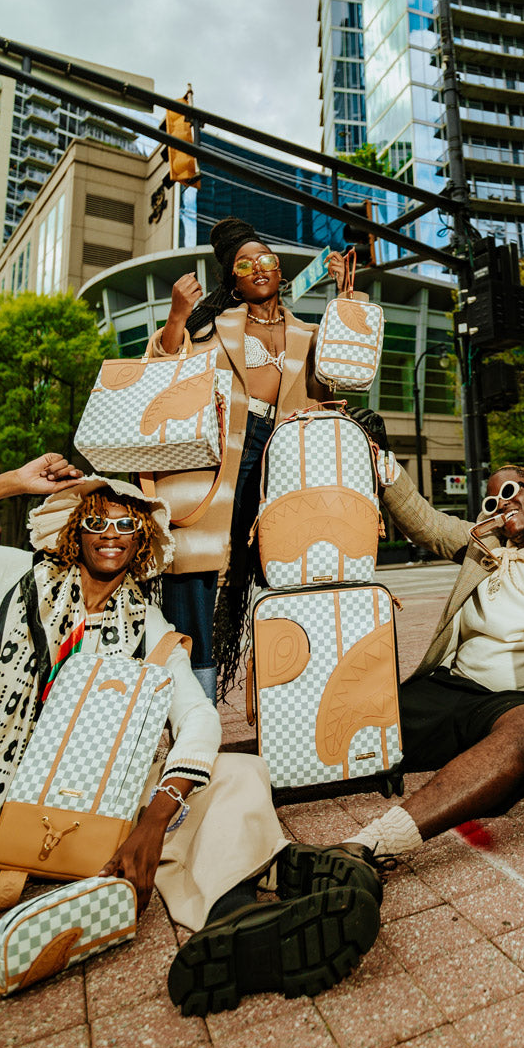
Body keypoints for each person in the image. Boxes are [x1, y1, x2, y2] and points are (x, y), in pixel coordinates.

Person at [0, 454, 381, 1012]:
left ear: (143, 540)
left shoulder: (147, 624)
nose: (111, 535)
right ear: (73, 532)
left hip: (88, 806)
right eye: (97, 522)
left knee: (237, 770)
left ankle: (237, 923)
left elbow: (197, 717)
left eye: (127, 524)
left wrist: (155, 817)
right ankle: (270, 863)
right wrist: (12, 482)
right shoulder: (8, 579)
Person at [292, 449, 524, 870]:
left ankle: (374, 843)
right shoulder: (485, 543)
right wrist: (384, 468)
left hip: (516, 705)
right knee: (342, 725)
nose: (502, 504)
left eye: (512, 492)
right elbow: (428, 523)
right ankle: (220, 783)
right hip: (451, 687)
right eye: (493, 500)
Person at [149, 218, 345, 703]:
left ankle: (292, 690)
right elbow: (162, 368)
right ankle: (195, 705)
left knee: (288, 565)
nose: (258, 268)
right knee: (193, 569)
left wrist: (345, 302)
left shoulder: (309, 331)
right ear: (232, 278)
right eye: (245, 264)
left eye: (267, 261)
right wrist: (177, 315)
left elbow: (338, 382)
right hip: (217, 455)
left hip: (283, 455)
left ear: (280, 271)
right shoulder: (212, 325)